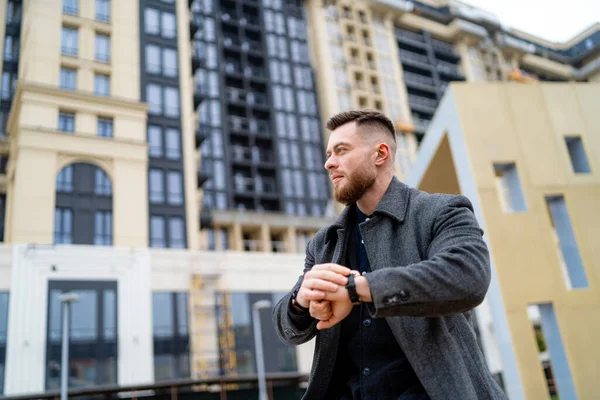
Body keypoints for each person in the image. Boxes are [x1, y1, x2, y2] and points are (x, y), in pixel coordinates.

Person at [272, 110, 507, 400]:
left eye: (341, 150)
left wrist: (357, 289)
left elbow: (468, 277)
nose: (329, 163)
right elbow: (287, 327)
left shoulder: (442, 211)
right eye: (329, 153)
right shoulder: (324, 242)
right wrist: (300, 302)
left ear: (380, 154)